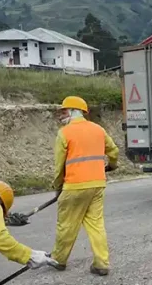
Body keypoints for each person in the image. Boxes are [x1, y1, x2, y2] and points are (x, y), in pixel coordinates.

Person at [50, 96, 119, 275]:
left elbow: (59, 166)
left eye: (64, 111)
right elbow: (114, 151)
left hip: (74, 186)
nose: (61, 115)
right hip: (97, 185)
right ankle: (101, 263)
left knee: (67, 224)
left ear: (74, 111)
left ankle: (59, 259)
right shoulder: (98, 130)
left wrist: (58, 186)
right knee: (96, 225)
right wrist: (111, 165)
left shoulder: (65, 133)